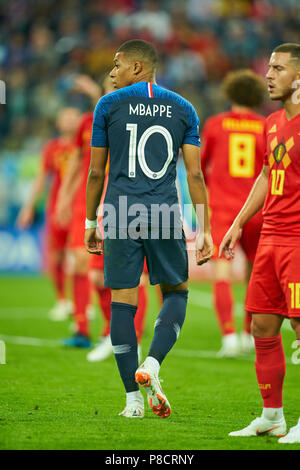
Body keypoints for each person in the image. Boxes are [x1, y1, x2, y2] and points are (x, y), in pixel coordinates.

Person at [84, 39, 213, 419]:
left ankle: (132, 402)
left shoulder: (107, 105)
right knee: (177, 293)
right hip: (164, 213)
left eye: (117, 64)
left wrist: (91, 222)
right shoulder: (185, 108)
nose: (112, 72)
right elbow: (194, 173)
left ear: (138, 68)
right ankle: (153, 363)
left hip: (120, 212)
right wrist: (203, 228)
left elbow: (95, 172)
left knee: (122, 304)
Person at [219, 43, 300, 443]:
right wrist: (238, 223)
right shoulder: (270, 123)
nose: (268, 74)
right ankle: (272, 415)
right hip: (270, 238)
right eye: (269, 67)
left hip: (298, 243)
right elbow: (267, 176)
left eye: (279, 68)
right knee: (263, 326)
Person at [200, 70, 266, 357]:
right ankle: (249, 334)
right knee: (255, 273)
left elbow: (198, 167)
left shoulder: (215, 124)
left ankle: (228, 337)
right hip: (257, 210)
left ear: (229, 94)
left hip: (224, 210)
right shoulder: (266, 126)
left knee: (222, 272)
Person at [17, 107, 81, 320]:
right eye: (66, 117)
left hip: (80, 207)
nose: (71, 120)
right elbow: (41, 179)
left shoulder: (86, 145)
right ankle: (62, 300)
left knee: (82, 256)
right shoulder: (51, 148)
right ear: (58, 123)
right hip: (55, 208)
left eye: (74, 117)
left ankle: (83, 303)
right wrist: (28, 207)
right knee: (58, 256)